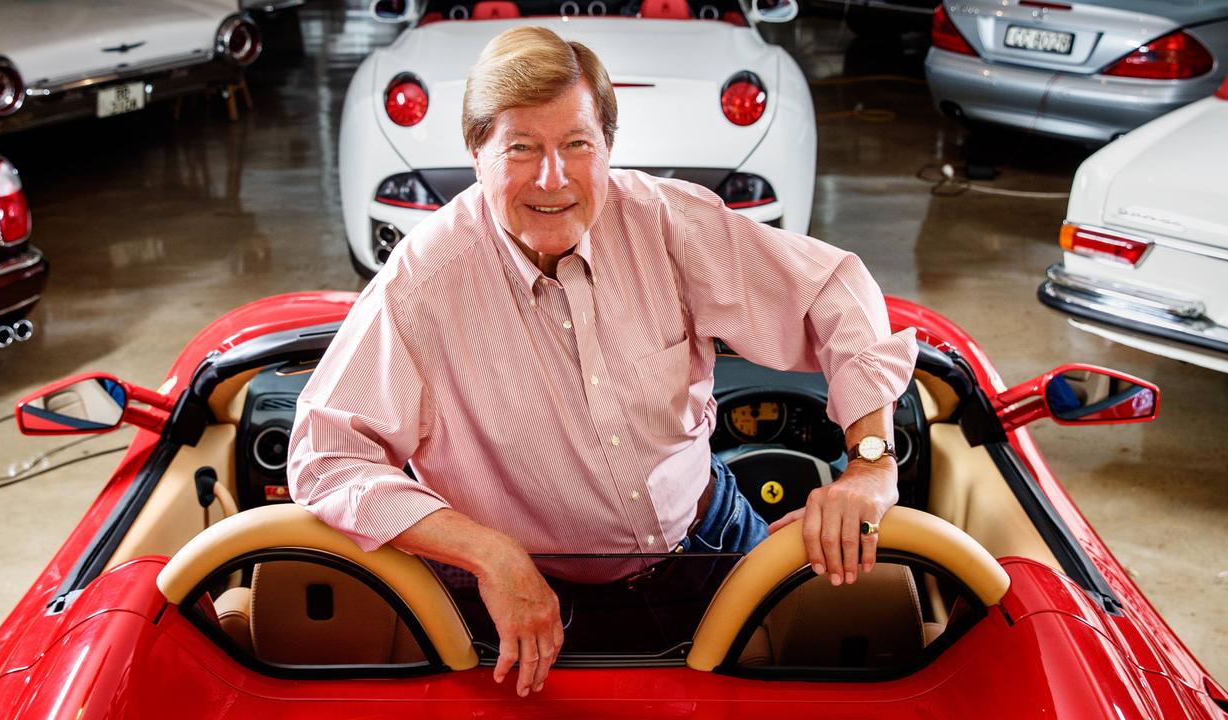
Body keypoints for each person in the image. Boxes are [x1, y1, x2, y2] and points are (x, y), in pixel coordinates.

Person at [288, 25, 918, 697]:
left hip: (712, 547)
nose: (552, 178)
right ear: (476, 154)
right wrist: (486, 552)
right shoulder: (419, 284)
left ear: (608, 147)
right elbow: (326, 458)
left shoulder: (667, 222)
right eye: (521, 149)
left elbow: (835, 291)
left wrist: (870, 465)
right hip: (518, 600)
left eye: (577, 145)